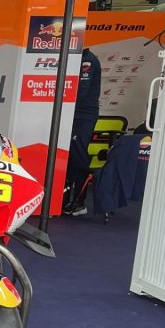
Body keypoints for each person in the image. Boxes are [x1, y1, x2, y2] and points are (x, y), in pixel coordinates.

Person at [63, 47, 101, 216]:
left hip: (82, 117)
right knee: (67, 156)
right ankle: (64, 199)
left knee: (78, 156)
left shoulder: (88, 60)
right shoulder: (70, 57)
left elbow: (81, 93)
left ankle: (78, 202)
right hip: (68, 114)